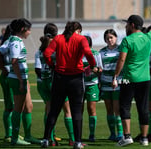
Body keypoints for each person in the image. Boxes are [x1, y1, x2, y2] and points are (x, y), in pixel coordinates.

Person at [41, 21, 97, 149]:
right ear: (77, 30)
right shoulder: (81, 39)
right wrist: (93, 65)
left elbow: (46, 53)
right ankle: (77, 142)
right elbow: (88, 53)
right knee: (76, 111)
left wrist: (52, 66)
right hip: (76, 78)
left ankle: (45, 139)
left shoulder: (58, 38)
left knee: (54, 110)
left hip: (59, 77)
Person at [112, 4, 151, 147]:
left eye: (127, 25)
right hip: (145, 79)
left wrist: (115, 76)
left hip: (128, 79)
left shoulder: (127, 40)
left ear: (132, 25)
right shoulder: (148, 37)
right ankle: (144, 138)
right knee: (143, 108)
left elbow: (121, 59)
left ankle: (127, 137)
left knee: (124, 106)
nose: (125, 27)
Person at [0, 18, 40, 145]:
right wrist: (20, 80)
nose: (30, 32)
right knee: (17, 108)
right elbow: (14, 62)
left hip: (21, 78)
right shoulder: (15, 42)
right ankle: (14, 138)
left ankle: (28, 136)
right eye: (29, 30)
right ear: (23, 29)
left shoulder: (14, 40)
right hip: (17, 79)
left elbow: (1, 54)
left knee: (28, 106)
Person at [35, 23, 75, 146]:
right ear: (56, 34)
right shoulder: (57, 47)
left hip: (42, 83)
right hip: (56, 82)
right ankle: (72, 139)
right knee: (67, 110)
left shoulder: (39, 50)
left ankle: (49, 139)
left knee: (49, 109)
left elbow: (37, 69)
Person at [99, 29, 123, 141]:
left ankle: (120, 133)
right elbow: (100, 69)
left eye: (111, 37)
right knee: (109, 110)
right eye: (107, 38)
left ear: (116, 38)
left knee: (117, 109)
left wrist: (117, 78)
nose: (110, 40)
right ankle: (112, 133)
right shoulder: (102, 52)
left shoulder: (121, 50)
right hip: (105, 83)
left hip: (117, 83)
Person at [82, 35, 102, 142]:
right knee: (78, 110)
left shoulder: (95, 54)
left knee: (91, 109)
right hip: (79, 85)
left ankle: (92, 134)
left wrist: (95, 70)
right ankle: (78, 134)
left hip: (92, 84)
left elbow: (100, 69)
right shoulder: (77, 54)